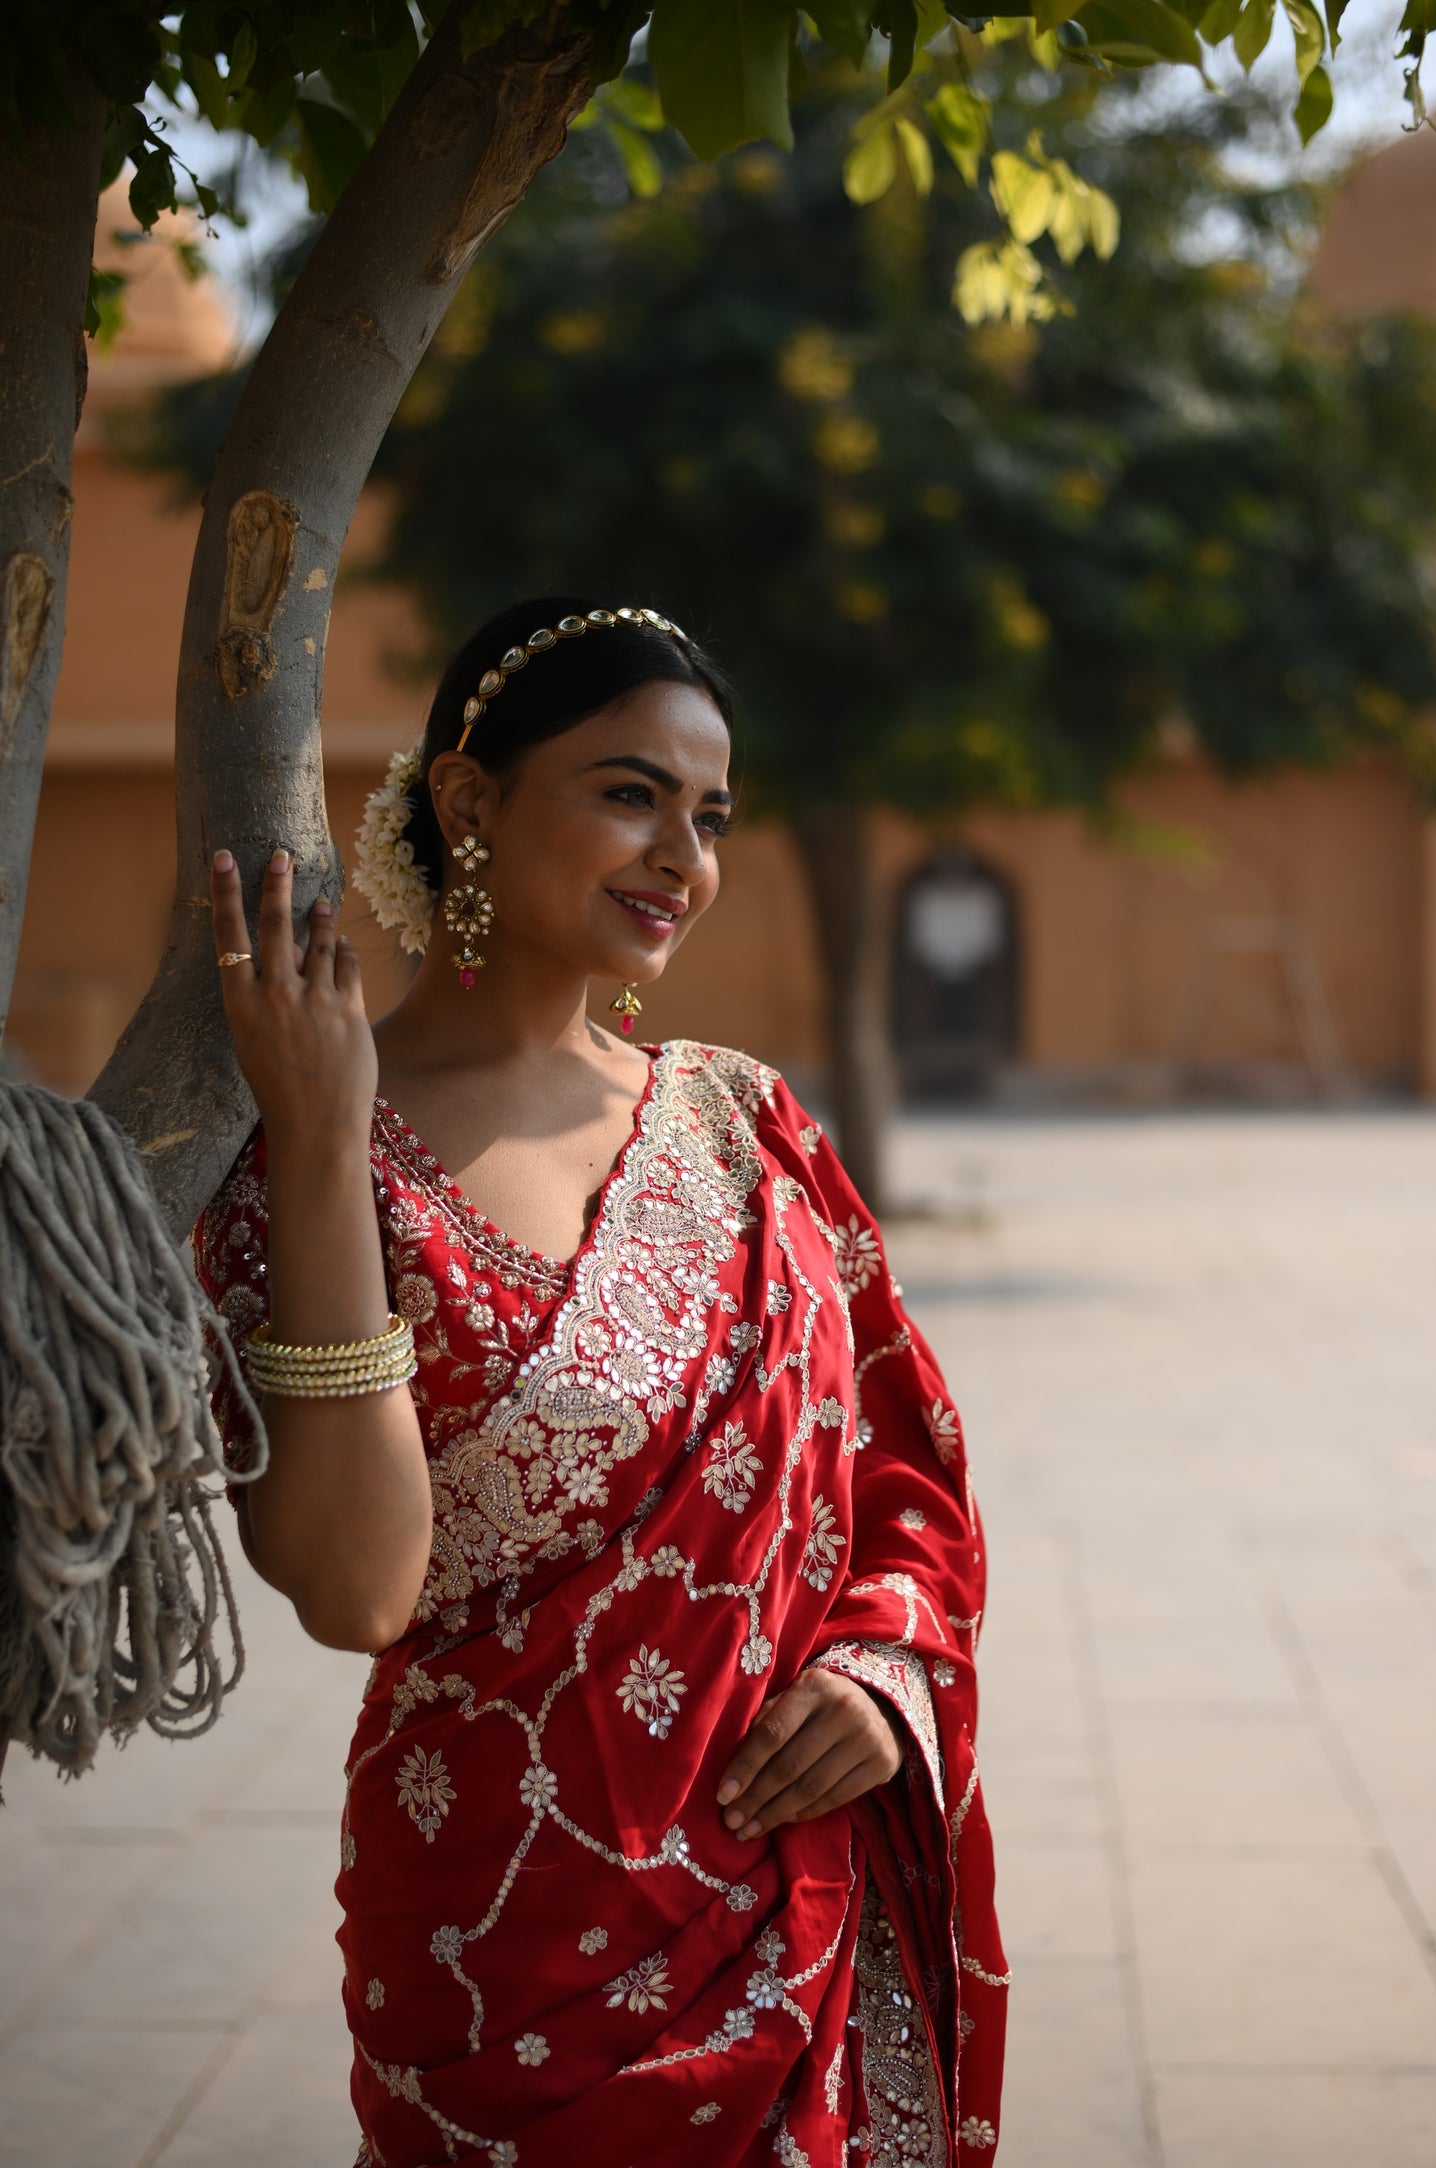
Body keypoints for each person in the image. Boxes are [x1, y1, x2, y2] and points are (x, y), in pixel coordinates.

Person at [195, 598, 1006, 2168]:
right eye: (630, 793)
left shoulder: (743, 1127)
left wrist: (877, 1673)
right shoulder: (309, 1156)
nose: (681, 860)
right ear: (468, 799)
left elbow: (906, 1481)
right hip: (498, 1933)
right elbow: (358, 1589)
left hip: (790, 1901)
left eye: (708, 816)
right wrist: (315, 1135)